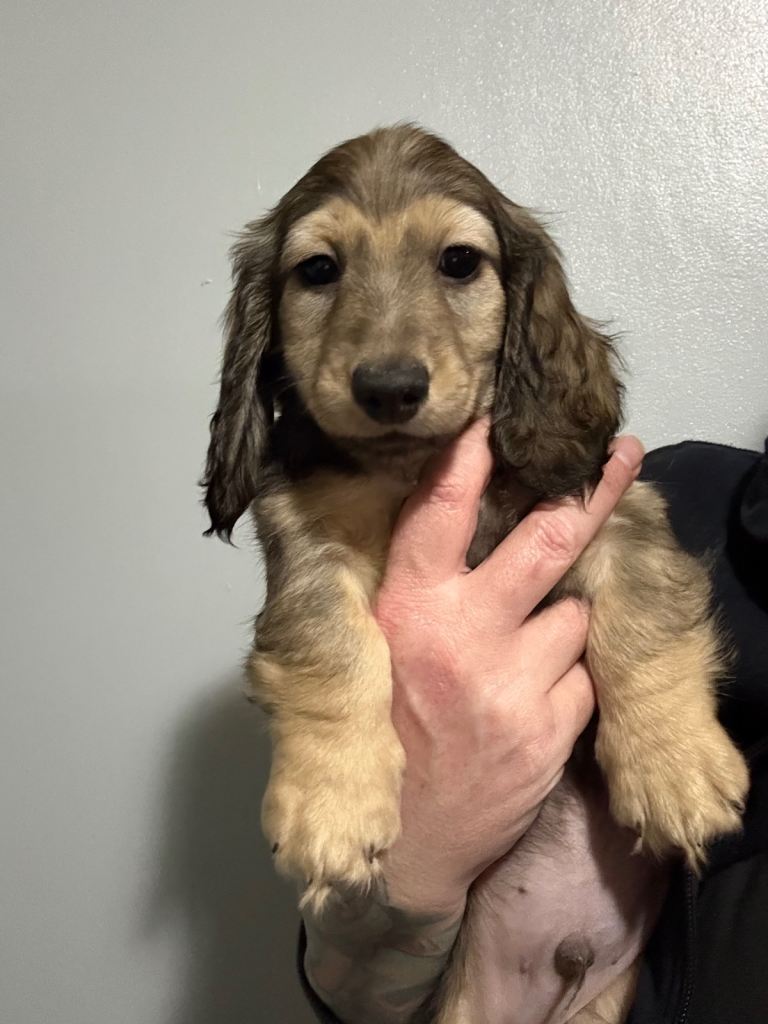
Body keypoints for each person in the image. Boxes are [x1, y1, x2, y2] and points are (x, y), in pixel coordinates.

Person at [296, 427, 768, 1024]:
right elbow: (356, 977)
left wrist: (654, 709)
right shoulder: (689, 489)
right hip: (459, 973)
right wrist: (413, 855)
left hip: (621, 979)